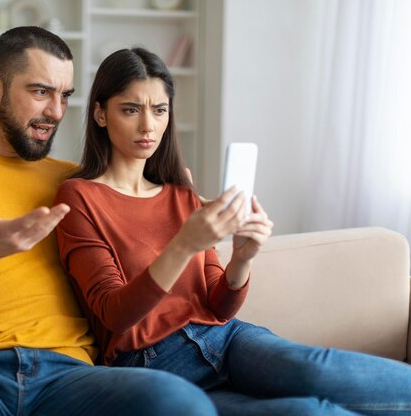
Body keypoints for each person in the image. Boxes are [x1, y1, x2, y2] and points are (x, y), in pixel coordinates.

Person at [0, 27, 216, 416]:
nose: (56, 112)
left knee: (180, 403)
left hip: (67, 374)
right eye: (41, 92)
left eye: (65, 95)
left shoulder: (78, 184)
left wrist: (191, 215)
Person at [54, 47, 411, 416]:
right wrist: (183, 244)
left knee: (315, 368)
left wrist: (242, 258)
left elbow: (219, 306)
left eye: (159, 110)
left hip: (228, 338)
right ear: (100, 113)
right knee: (307, 412)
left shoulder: (181, 193)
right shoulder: (79, 197)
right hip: (154, 363)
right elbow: (114, 313)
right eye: (131, 110)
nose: (148, 126)